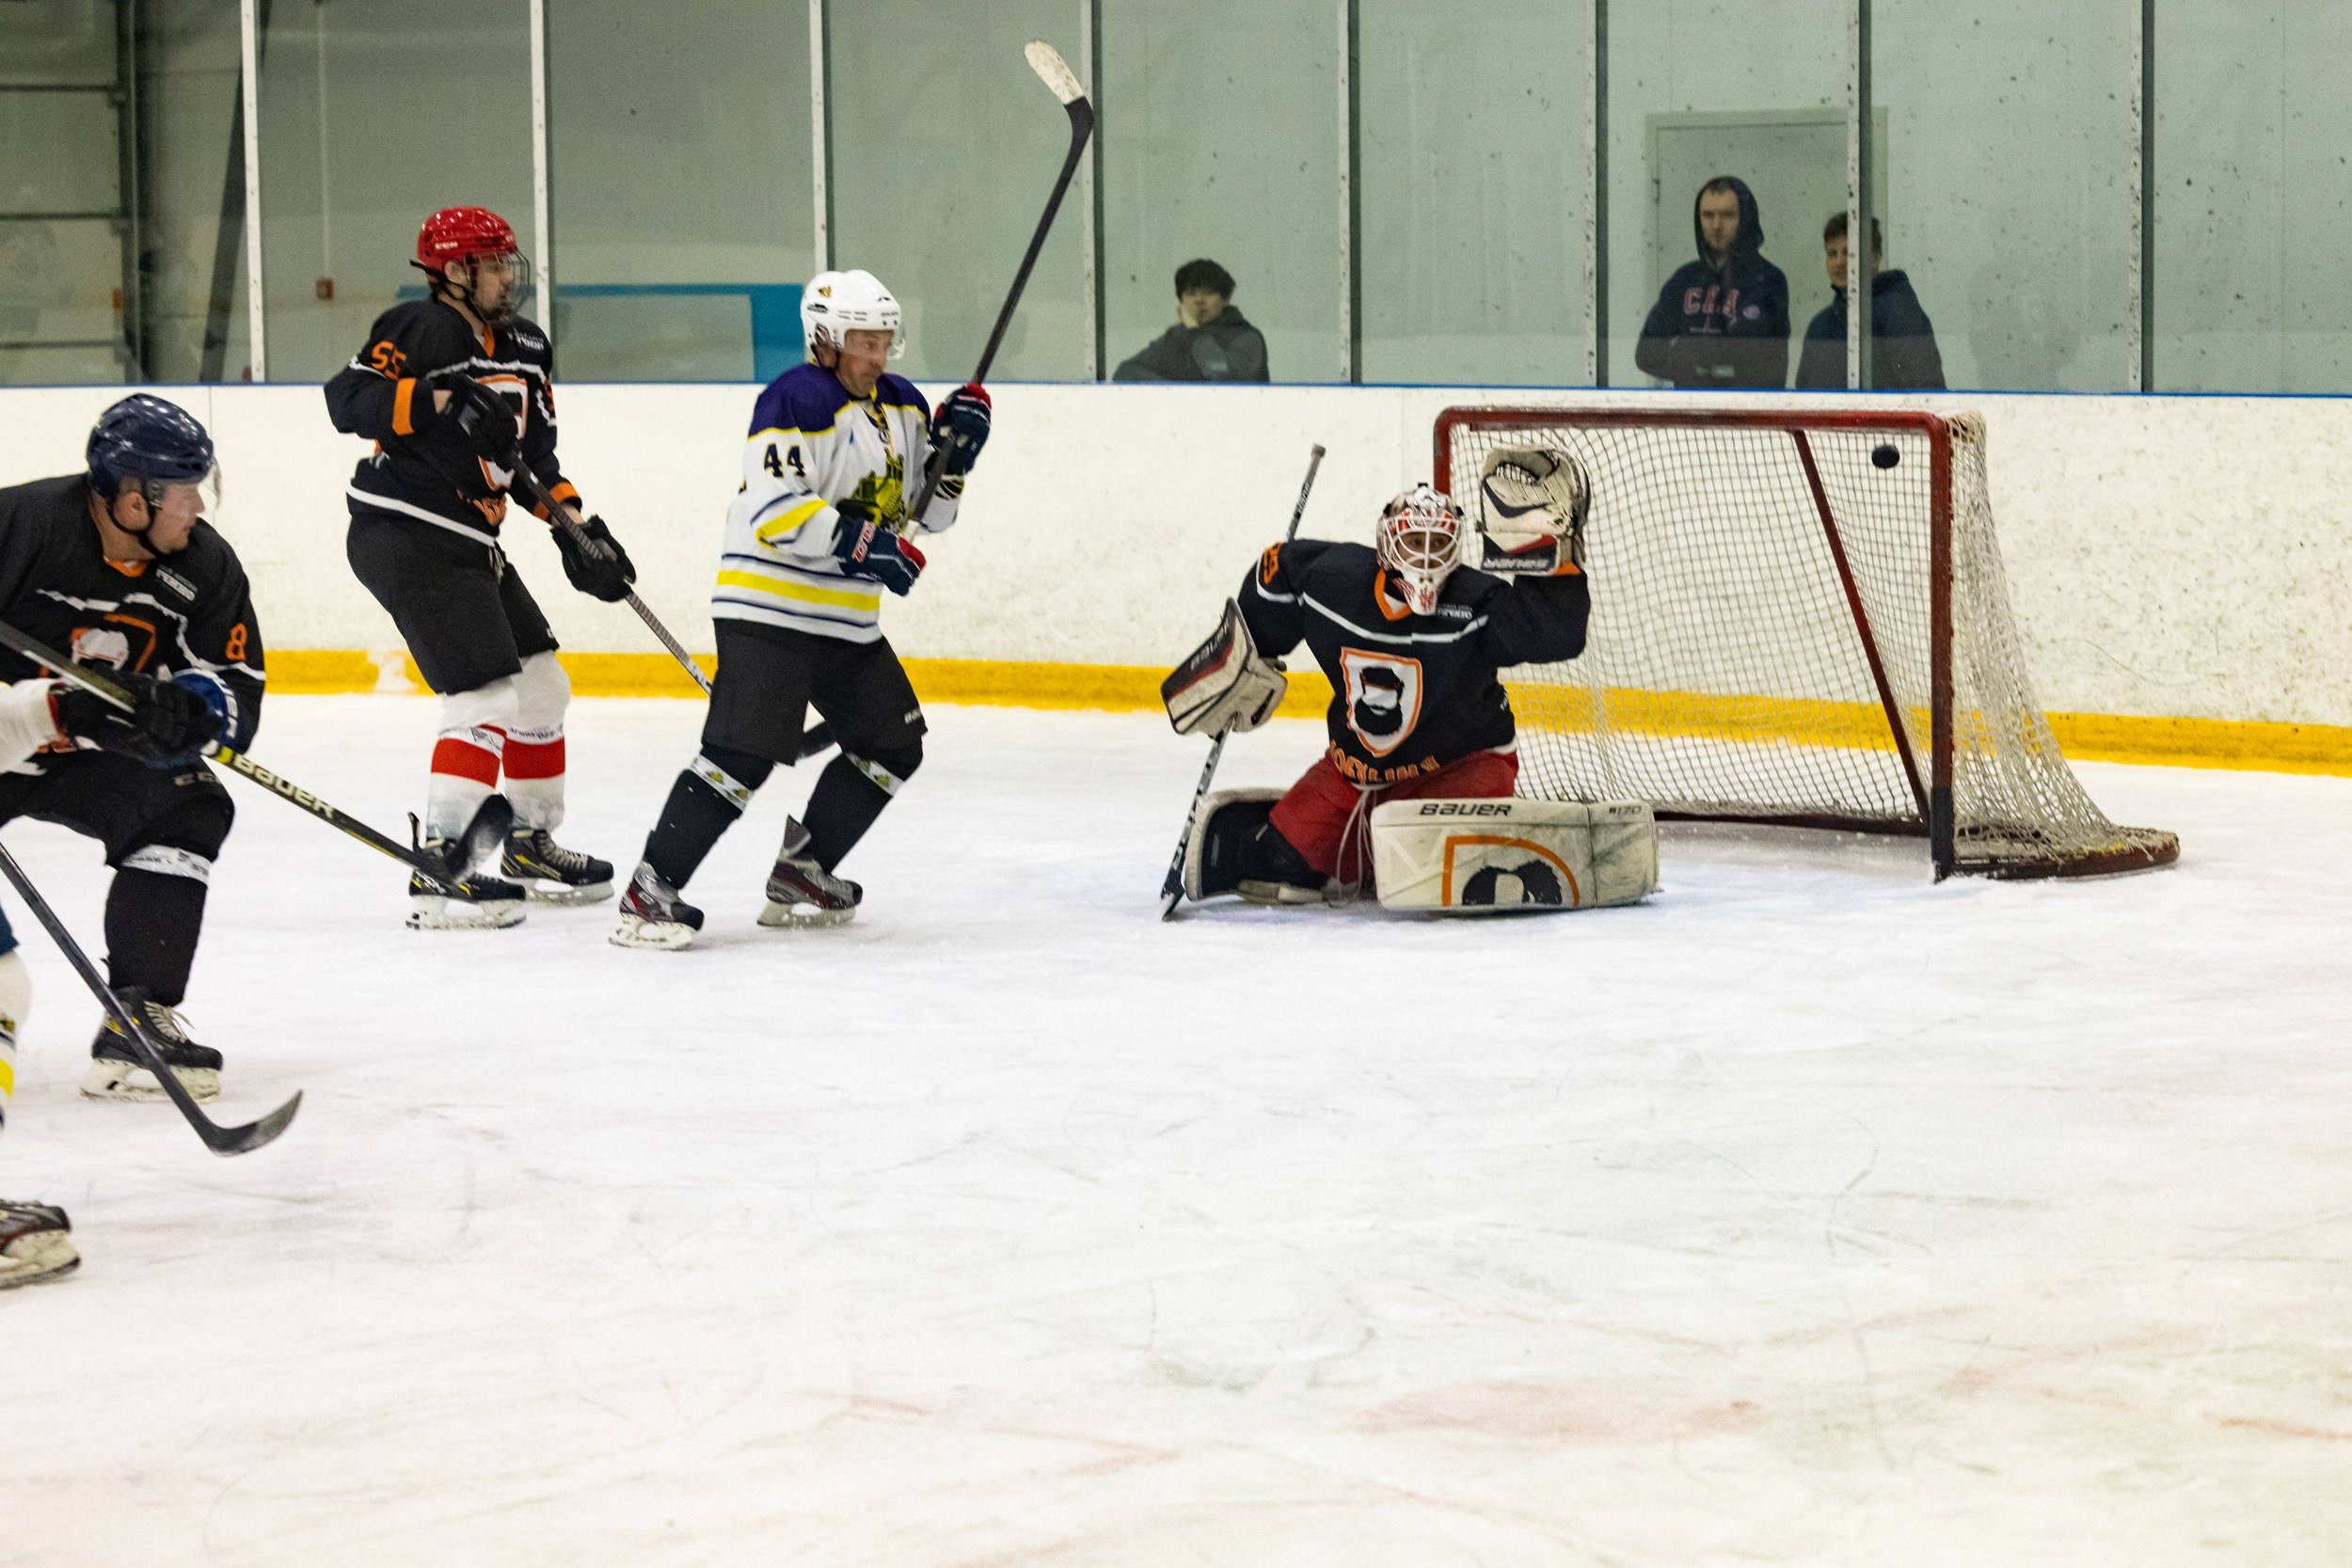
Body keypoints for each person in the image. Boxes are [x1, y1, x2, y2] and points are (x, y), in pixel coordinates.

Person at [611, 268, 992, 949]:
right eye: (862, 341)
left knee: (893, 746)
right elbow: (773, 510)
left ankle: (804, 870)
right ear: (825, 339)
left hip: (846, 622)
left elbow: (926, 518)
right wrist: (860, 540)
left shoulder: (903, 403)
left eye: (884, 341)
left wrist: (956, 458)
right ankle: (651, 890)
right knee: (739, 757)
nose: (877, 355)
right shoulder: (795, 396)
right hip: (769, 609)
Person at [325, 206, 636, 929]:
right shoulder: (418, 330)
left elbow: (532, 462)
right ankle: (444, 867)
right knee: (484, 696)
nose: (506, 275)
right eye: (491, 264)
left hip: (473, 536)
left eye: (507, 261)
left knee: (541, 687)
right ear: (453, 273)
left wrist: (574, 528)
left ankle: (527, 842)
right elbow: (348, 402)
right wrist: (440, 398)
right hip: (406, 527)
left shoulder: (527, 344)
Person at [0, 395, 262, 1128]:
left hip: (89, 754)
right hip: (2, 737)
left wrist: (193, 711)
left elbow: (240, 686)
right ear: (130, 497)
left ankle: (137, 1018)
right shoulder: (23, 526)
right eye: (183, 490)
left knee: (189, 798)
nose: (198, 505)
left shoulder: (204, 566)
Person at [1168, 464, 1591, 905]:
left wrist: (1551, 553)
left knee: (1442, 881)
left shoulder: (1477, 600)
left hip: (1461, 767)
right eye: (1413, 541)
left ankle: (1390, 847)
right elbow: (1276, 572)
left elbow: (1555, 631)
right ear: (1386, 544)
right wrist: (1247, 648)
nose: (1425, 557)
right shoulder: (1334, 583)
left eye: (1438, 543)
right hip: (1357, 772)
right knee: (1273, 864)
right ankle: (1369, 846)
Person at [1635, 176, 1789, 389]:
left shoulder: (1768, 280)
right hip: (1691, 413)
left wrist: (1683, 351)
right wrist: (1709, 362)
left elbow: (1747, 355)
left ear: (1745, 219)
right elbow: (1646, 353)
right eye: (1708, 215)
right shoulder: (1684, 279)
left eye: (1727, 215)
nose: (1716, 225)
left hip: (1749, 413)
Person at [1793, 213, 1947, 391]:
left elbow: (1926, 392)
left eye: (1849, 253)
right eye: (1832, 253)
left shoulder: (1899, 312)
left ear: (1875, 257)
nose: (1839, 262)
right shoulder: (1820, 326)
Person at [1112, 259, 1269, 383]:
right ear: (1181, 300)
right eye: (1191, 293)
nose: (1199, 300)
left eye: (1208, 293)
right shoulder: (1176, 336)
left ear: (1226, 299)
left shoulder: (1247, 337)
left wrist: (1194, 330)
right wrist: (1174, 395)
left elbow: (1224, 377)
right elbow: (1126, 372)